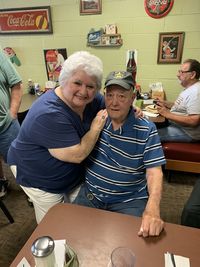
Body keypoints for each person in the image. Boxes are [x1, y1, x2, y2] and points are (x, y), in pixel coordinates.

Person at [7, 51, 108, 223]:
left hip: (69, 173)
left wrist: (131, 109)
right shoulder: (49, 112)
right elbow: (77, 155)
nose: (83, 91)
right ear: (64, 80)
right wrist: (95, 128)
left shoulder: (93, 99)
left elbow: (112, 107)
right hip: (38, 174)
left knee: (79, 213)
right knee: (53, 224)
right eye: (77, 83)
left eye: (90, 86)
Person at [74, 71, 166, 238]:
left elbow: (154, 171)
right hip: (90, 195)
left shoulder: (146, 129)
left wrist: (153, 208)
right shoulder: (97, 118)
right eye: (110, 95)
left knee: (130, 248)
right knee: (72, 238)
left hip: (128, 201)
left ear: (132, 99)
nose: (114, 103)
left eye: (122, 96)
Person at [156, 59, 200, 142]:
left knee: (149, 134)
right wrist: (165, 103)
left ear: (193, 74)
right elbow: (181, 107)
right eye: (179, 71)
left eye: (182, 72)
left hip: (187, 132)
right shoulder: (189, 88)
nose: (178, 75)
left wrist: (167, 114)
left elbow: (194, 120)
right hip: (177, 125)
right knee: (151, 125)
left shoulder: (196, 92)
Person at [0, 50, 23, 198]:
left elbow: (16, 84)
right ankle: (2, 181)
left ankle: (31, 189)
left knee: (19, 160)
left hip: (5, 124)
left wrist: (12, 113)